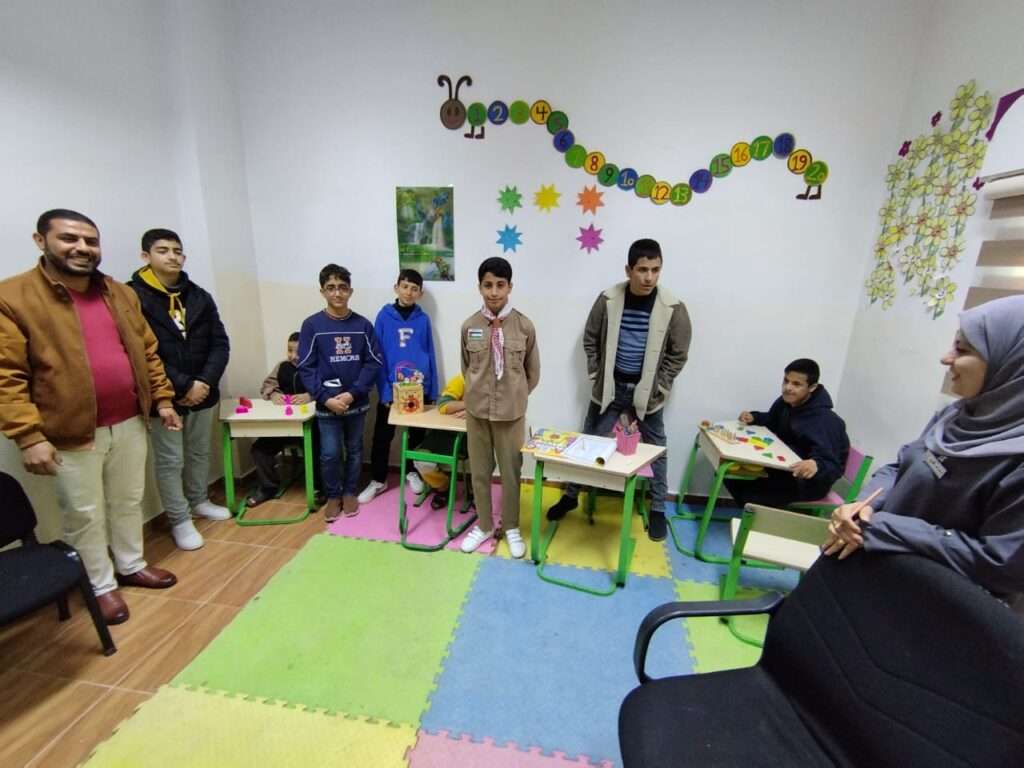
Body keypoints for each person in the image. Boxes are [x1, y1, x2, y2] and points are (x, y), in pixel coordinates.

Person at [0, 209, 180, 625]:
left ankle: (131, 564)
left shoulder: (119, 293)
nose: (82, 248)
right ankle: (99, 585)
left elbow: (147, 351)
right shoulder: (13, 297)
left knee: (128, 499)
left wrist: (163, 399)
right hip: (70, 431)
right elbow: (6, 375)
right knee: (83, 513)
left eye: (90, 241)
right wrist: (28, 435)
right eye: (69, 238)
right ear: (40, 241)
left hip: (130, 420)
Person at [825, 296, 1024, 597]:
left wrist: (886, 529)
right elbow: (900, 465)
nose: (946, 358)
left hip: (932, 604)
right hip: (876, 569)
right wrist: (864, 507)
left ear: (1011, 363)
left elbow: (1001, 565)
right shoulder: (954, 415)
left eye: (962, 349)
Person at [546, 238, 691, 541]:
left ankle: (658, 508)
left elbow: (678, 354)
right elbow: (590, 338)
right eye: (642, 270)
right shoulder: (608, 299)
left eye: (655, 270)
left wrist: (661, 386)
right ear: (628, 270)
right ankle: (571, 495)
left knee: (657, 449)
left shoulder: (673, 307)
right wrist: (596, 374)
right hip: (610, 389)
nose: (649, 277)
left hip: (647, 393)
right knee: (588, 440)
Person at [129, 229, 231, 551]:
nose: (172, 256)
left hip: (204, 391)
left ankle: (199, 499)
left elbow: (220, 343)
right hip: (163, 396)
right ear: (146, 256)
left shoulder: (199, 296)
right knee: (170, 459)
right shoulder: (131, 296)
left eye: (177, 251)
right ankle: (179, 518)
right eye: (163, 250)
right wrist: (184, 385)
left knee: (200, 451)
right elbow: (140, 352)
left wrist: (204, 382)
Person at [459, 257, 540, 556]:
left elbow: (533, 373)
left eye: (500, 285)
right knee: (480, 471)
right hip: (477, 413)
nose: (494, 292)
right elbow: (466, 368)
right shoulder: (470, 326)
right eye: (488, 285)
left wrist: (515, 397)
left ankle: (511, 526)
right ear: (480, 287)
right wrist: (476, 395)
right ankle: (483, 525)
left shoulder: (524, 326)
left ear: (510, 287)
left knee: (510, 472)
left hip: (511, 414)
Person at [297, 264, 383, 522]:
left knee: (355, 449)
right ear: (322, 291)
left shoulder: (363, 325)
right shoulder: (311, 325)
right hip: (327, 405)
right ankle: (333, 495)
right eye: (331, 288)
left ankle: (349, 492)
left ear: (350, 291)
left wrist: (352, 393)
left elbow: (374, 362)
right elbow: (306, 366)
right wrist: (325, 398)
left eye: (343, 288)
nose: (337, 293)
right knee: (330, 453)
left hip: (356, 402)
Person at [358, 268, 439, 504]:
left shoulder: (423, 319)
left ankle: (413, 472)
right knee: (383, 435)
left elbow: (430, 353)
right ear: (396, 288)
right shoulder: (384, 317)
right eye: (405, 287)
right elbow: (377, 355)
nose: (409, 292)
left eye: (414, 289)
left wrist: (431, 389)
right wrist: (384, 391)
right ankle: (378, 479)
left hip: (417, 389)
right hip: (391, 389)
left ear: (420, 293)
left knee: (416, 435)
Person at [724, 358, 850, 508]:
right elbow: (772, 419)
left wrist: (816, 464)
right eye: (786, 381)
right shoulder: (786, 402)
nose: (788, 387)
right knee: (730, 477)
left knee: (749, 494)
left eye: (796, 384)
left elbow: (832, 465)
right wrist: (755, 417)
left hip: (807, 483)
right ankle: (755, 513)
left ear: (812, 387)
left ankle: (759, 517)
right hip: (783, 468)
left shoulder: (825, 420)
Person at [246, 332, 324, 508]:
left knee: (319, 451)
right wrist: (274, 394)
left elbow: (329, 387)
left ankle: (320, 488)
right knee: (259, 450)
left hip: (313, 426)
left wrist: (310, 395)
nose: (293, 356)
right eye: (290, 350)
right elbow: (267, 385)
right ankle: (268, 487)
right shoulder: (282, 367)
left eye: (299, 352)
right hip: (285, 425)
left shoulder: (318, 366)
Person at [413, 372, 471, 509]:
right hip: (443, 434)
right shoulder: (461, 379)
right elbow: (444, 405)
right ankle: (443, 486)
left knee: (484, 461)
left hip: (471, 436)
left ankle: (475, 490)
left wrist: (473, 410)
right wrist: (470, 405)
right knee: (421, 459)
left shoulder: (495, 382)